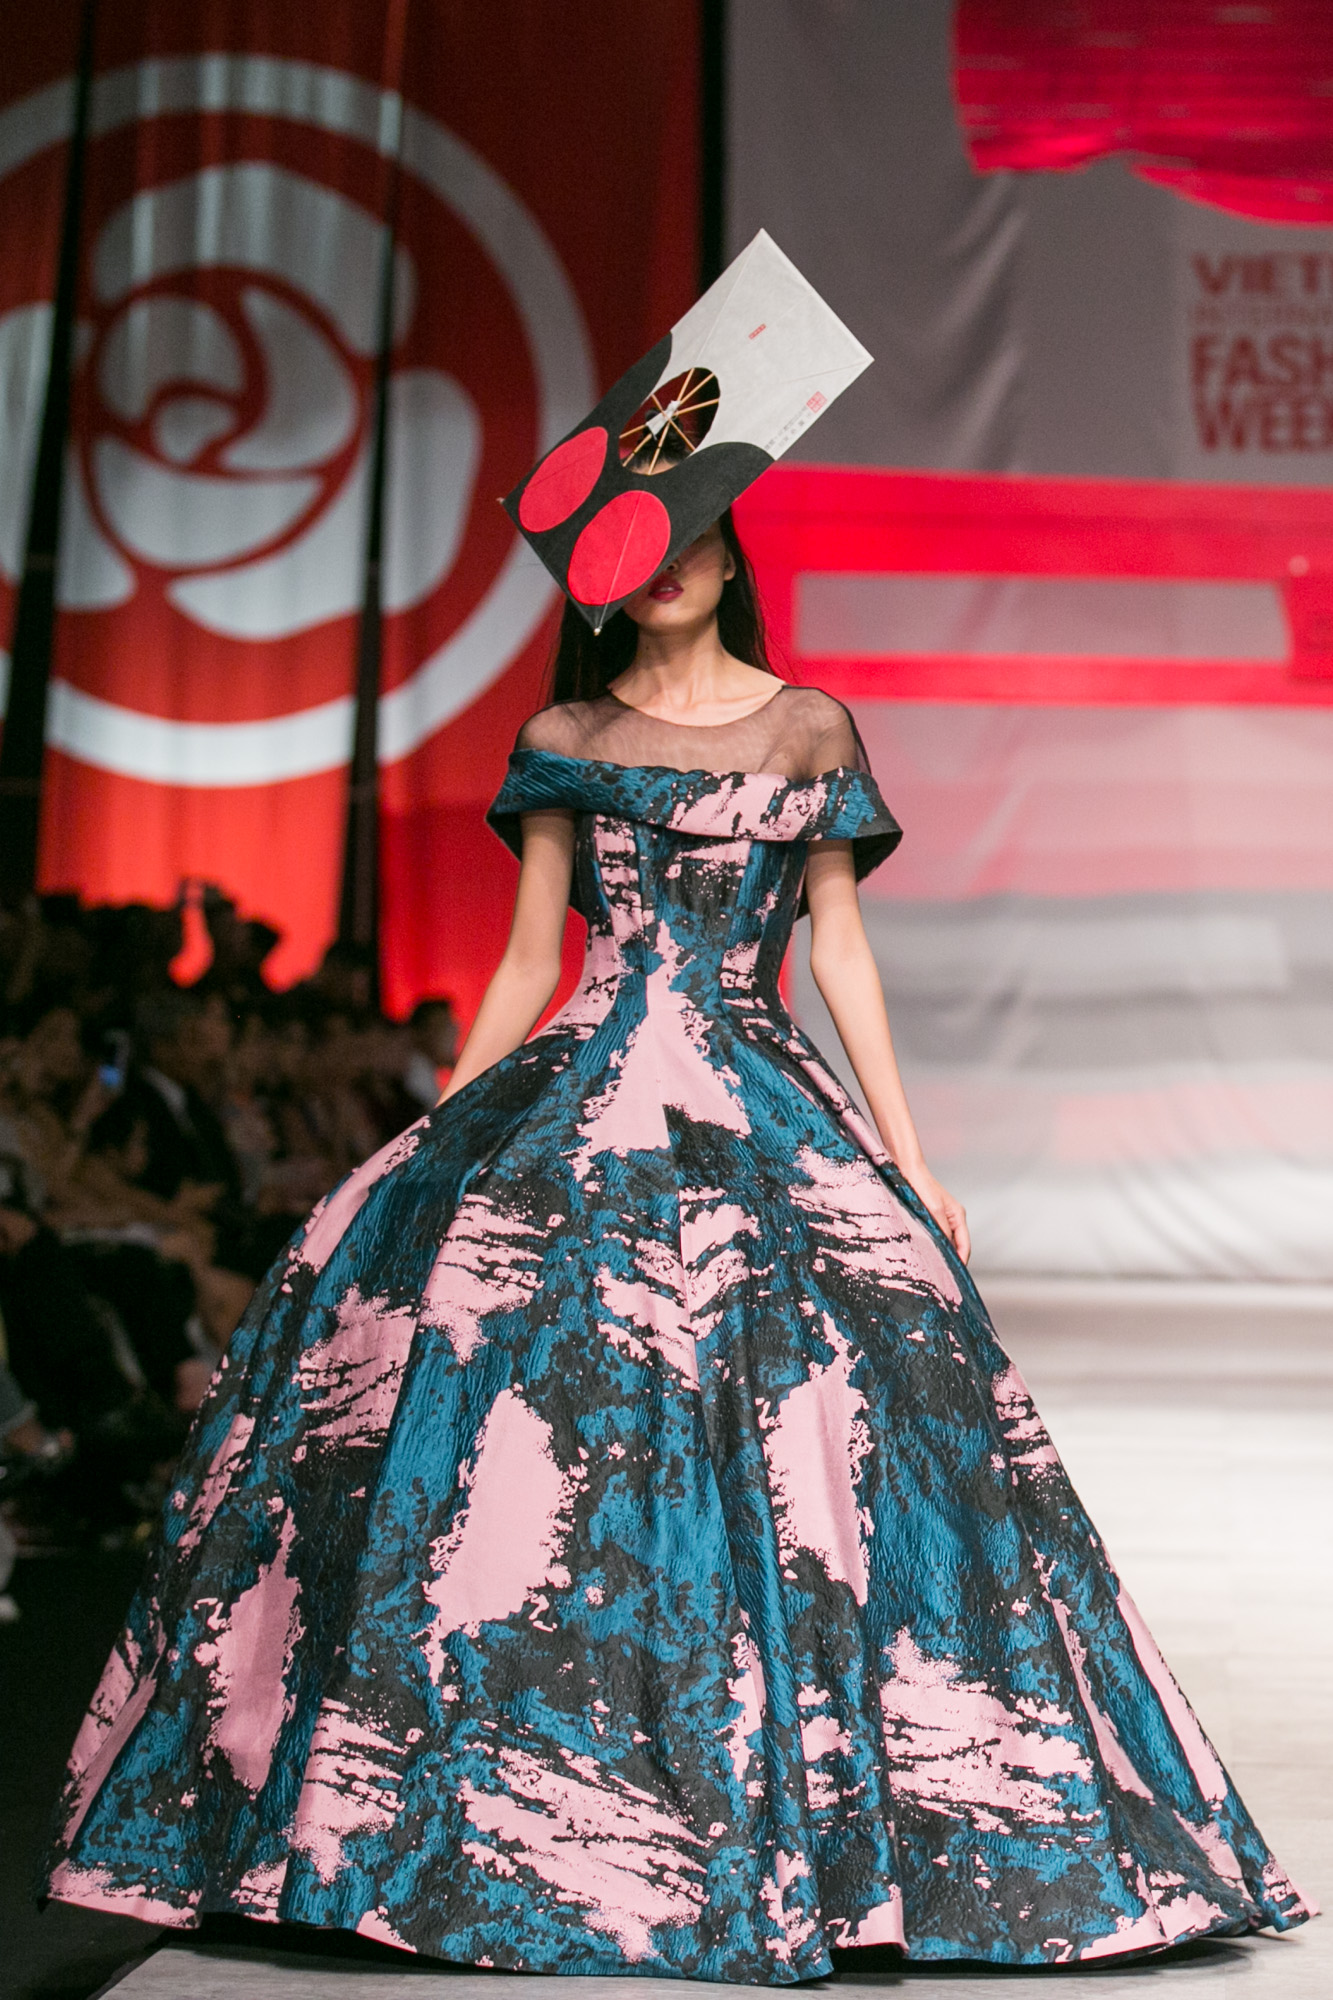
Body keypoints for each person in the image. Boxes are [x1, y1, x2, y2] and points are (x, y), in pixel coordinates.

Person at [43, 513, 1311, 1979]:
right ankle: (487, 1812)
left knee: (858, 1393)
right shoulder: (564, 735)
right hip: (585, 1086)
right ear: (597, 575)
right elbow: (534, 954)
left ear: (727, 562)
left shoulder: (808, 725)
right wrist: (433, 1142)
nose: (666, 562)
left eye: (691, 536)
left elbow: (838, 945)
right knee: (521, 1427)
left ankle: (879, 1812)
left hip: (757, 1092)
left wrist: (905, 1153)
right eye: (635, 542)